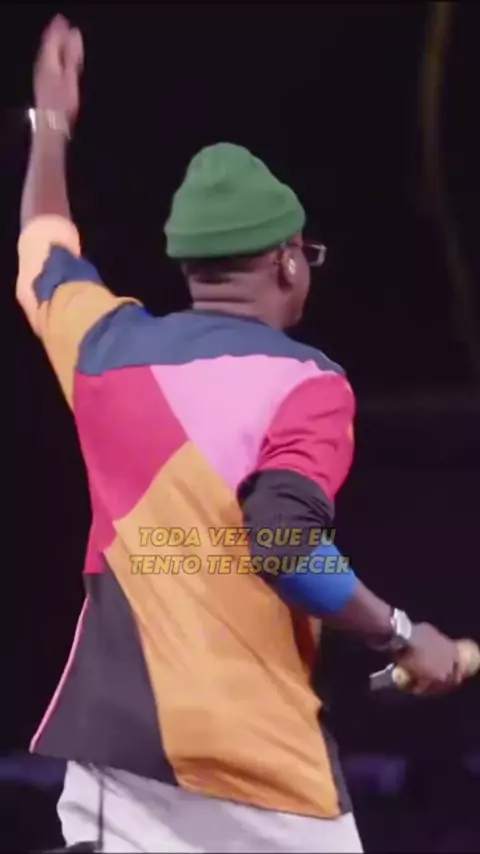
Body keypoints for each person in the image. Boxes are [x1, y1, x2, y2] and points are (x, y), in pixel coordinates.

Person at [17, 16, 466, 854]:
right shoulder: (310, 385)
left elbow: (41, 250)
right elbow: (284, 542)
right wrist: (404, 634)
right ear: (289, 260)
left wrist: (50, 124)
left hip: (125, 762)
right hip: (264, 773)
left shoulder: (102, 350)